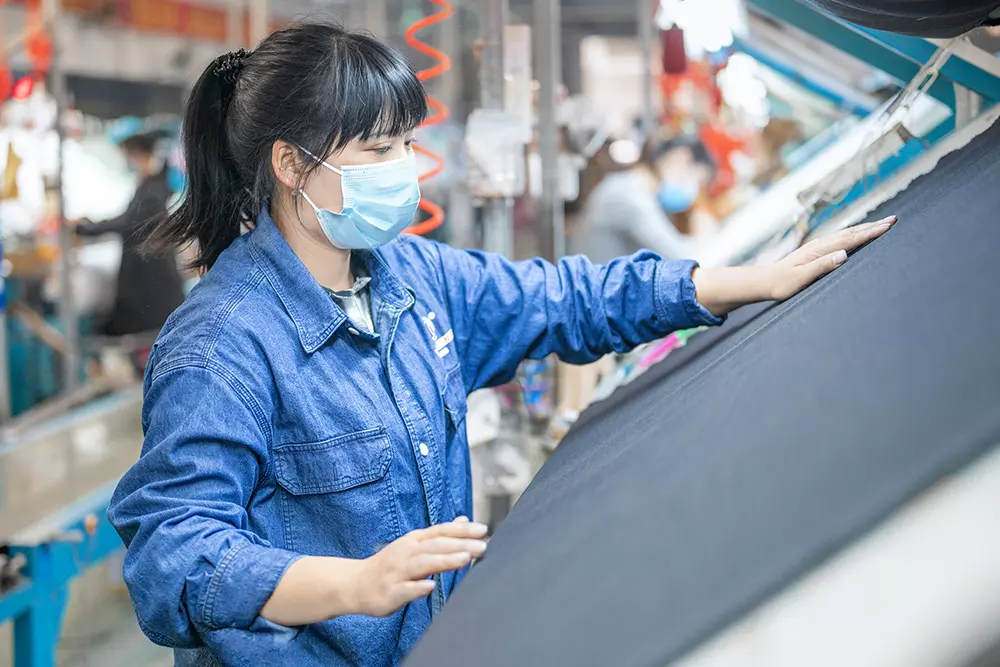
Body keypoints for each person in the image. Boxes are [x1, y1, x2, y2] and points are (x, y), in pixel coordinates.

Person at [107, 23, 895, 667]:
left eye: (405, 145)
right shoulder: (223, 341)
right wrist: (352, 583)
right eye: (378, 151)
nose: (405, 170)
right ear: (290, 165)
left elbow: (562, 298)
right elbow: (173, 552)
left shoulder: (413, 278)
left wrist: (731, 282)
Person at [75, 132, 185, 337]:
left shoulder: (154, 191)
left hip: (148, 282)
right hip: (144, 280)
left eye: (131, 156)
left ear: (144, 157)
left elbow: (128, 223)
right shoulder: (150, 186)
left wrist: (87, 228)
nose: (129, 161)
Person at [578, 135, 717, 265]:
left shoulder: (634, 190)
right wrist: (703, 233)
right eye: (697, 181)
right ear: (680, 158)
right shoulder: (628, 196)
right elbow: (682, 259)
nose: (694, 191)